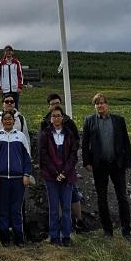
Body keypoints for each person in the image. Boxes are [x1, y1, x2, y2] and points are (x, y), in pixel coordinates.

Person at [82, 93, 131, 240]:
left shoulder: (119, 121)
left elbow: (126, 142)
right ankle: (107, 231)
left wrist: (128, 163)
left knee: (122, 197)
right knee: (102, 198)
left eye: (102, 103)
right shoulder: (89, 121)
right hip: (99, 166)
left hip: (117, 165)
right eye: (97, 104)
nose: (100, 106)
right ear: (94, 106)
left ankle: (126, 231)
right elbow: (85, 144)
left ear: (107, 105)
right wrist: (87, 162)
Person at [40, 93, 86, 232]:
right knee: (56, 200)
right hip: (51, 168)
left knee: (73, 194)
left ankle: (78, 221)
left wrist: (67, 167)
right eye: (53, 104)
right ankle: (58, 227)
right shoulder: (44, 123)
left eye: (58, 103)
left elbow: (75, 142)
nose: (55, 106)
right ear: (49, 106)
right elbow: (43, 148)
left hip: (67, 166)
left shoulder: (69, 122)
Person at [39, 105, 78, 247]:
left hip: (67, 176)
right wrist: (55, 173)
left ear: (62, 118)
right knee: (54, 208)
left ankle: (66, 236)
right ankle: (54, 236)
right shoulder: (45, 134)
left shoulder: (69, 134)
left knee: (66, 208)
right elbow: (43, 155)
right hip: (51, 176)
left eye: (58, 116)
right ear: (50, 119)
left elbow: (73, 155)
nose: (56, 118)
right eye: (54, 116)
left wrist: (64, 172)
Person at [0, 111, 32, 247]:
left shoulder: (20, 137)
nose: (8, 121)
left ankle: (19, 237)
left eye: (10, 119)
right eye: (5, 119)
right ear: (2, 121)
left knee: (16, 209)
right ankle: (4, 237)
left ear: (14, 121)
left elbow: (27, 157)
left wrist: (26, 174)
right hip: (2, 178)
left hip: (18, 178)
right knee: (3, 208)